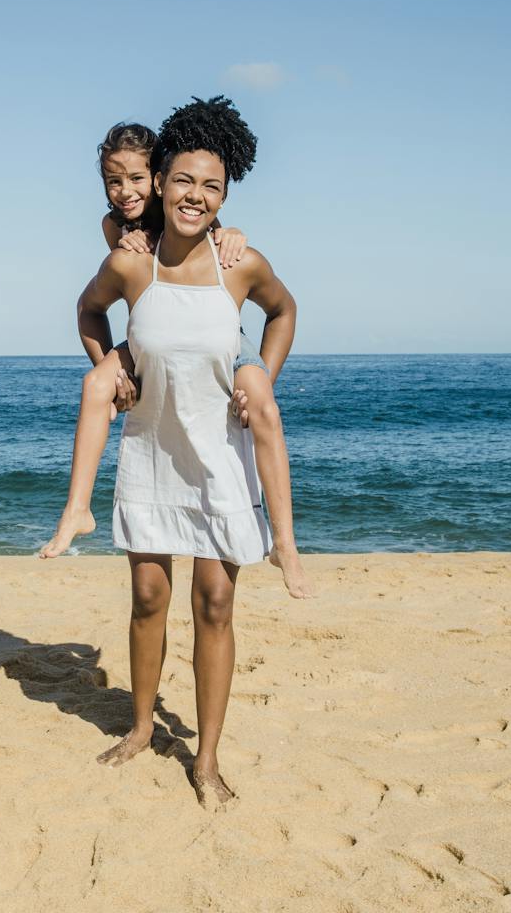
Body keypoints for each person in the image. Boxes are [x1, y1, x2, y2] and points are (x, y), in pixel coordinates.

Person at [74, 96, 294, 804]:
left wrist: (259, 369)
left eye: (213, 187)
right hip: (152, 450)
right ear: (161, 181)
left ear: (223, 196)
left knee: (217, 602)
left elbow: (284, 312)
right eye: (183, 181)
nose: (195, 196)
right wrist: (115, 362)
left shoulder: (240, 261)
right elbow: (87, 309)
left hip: (221, 456)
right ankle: (142, 728)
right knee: (146, 595)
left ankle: (206, 759)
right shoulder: (132, 261)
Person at [39, 120, 313, 601]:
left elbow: (261, 289)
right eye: (114, 181)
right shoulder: (115, 228)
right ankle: (77, 509)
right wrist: (119, 372)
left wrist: (262, 376)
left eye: (137, 178)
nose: (126, 191)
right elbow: (117, 298)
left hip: (221, 334)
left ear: (157, 176)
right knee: (94, 386)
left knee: (266, 408)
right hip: (154, 336)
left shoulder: (208, 227)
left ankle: (285, 543)